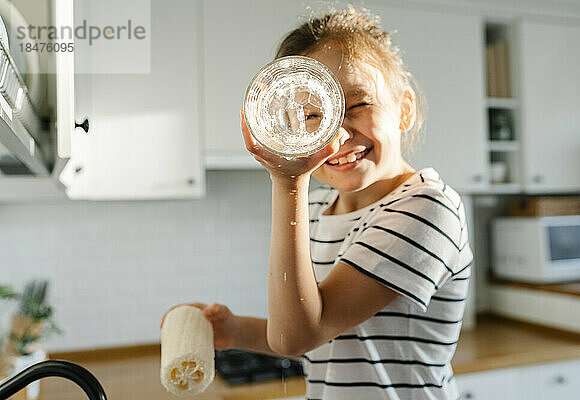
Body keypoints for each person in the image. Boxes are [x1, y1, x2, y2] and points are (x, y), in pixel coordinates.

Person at [162, 6, 473, 399]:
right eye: (313, 115)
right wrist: (236, 331)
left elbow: (298, 336)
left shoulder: (429, 208)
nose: (338, 134)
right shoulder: (317, 205)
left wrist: (287, 183)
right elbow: (317, 329)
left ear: (404, 110)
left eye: (358, 105)